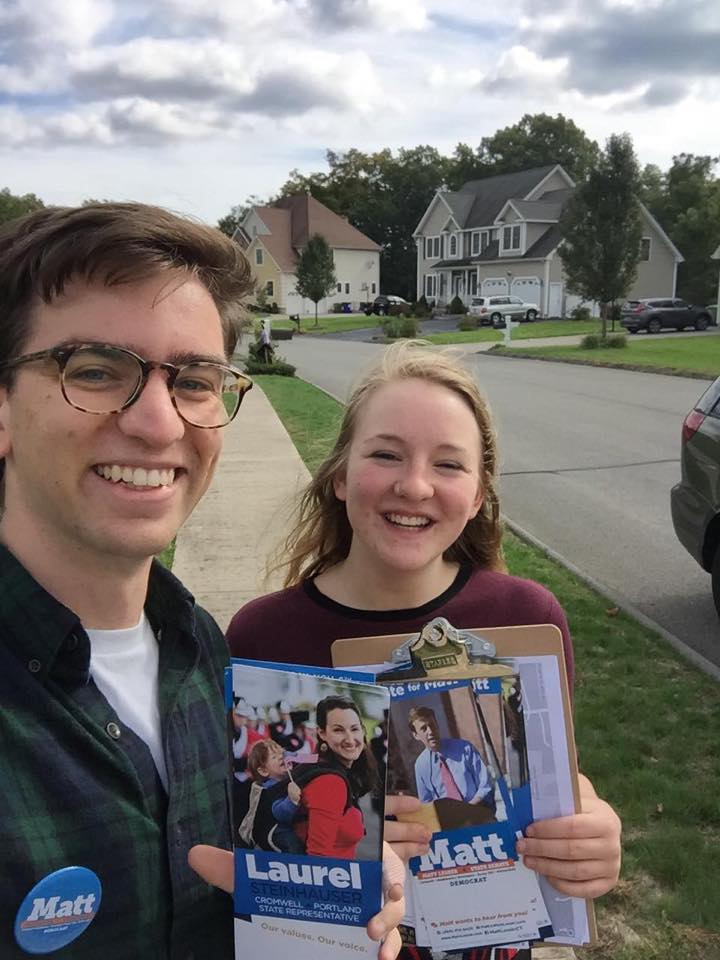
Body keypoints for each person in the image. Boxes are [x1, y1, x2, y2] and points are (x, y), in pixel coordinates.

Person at [0, 203, 404, 960]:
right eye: (94, 369)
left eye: (194, 381)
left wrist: (324, 893)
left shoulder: (204, 655)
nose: (159, 423)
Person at [226, 341, 622, 960]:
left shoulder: (525, 619)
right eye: (385, 454)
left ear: (480, 491)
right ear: (339, 474)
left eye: (448, 465)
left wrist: (588, 826)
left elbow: (547, 778)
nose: (414, 486)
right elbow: (249, 829)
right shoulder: (261, 636)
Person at [294, 695, 378, 859]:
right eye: (338, 730)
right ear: (322, 733)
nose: (349, 739)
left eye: (354, 729)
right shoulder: (330, 783)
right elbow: (318, 858)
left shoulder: (326, 767)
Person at [408, 706, 494, 809]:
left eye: (432, 725)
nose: (430, 731)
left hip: (478, 810)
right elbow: (426, 804)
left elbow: (485, 784)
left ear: (437, 725)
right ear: (416, 735)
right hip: (450, 822)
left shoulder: (464, 749)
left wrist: (470, 809)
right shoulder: (420, 765)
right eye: (423, 728)